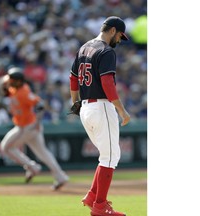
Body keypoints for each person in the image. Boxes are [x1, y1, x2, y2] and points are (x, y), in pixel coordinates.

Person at [69, 16, 131, 216]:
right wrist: (121, 110)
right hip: (101, 107)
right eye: (120, 36)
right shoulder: (106, 51)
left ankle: (92, 196)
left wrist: (75, 101)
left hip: (86, 107)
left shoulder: (84, 48)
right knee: (111, 157)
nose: (120, 40)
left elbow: (73, 78)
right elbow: (107, 83)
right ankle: (100, 206)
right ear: (112, 30)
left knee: (106, 156)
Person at [0, 66, 69, 190]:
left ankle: (32, 167)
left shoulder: (24, 92)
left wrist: (37, 121)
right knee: (43, 153)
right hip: (29, 127)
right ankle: (60, 176)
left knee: (6, 147)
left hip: (26, 127)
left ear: (19, 81)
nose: (9, 81)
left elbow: (40, 104)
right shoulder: (14, 88)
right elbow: (6, 90)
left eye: (12, 79)